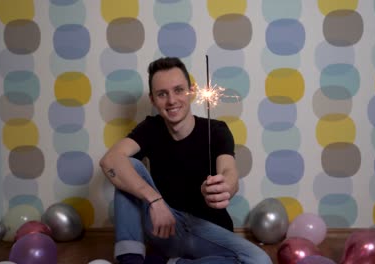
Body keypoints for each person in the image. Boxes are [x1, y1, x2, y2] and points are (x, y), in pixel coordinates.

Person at [100, 57, 272, 264]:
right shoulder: (150, 129)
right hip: (166, 228)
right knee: (127, 165)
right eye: (162, 94)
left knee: (259, 260)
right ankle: (132, 261)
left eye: (178, 90)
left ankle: (174, 263)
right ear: (153, 100)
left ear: (191, 92)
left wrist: (225, 186)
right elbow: (110, 160)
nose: (171, 100)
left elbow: (229, 171)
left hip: (207, 232)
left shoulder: (216, 130)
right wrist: (155, 200)